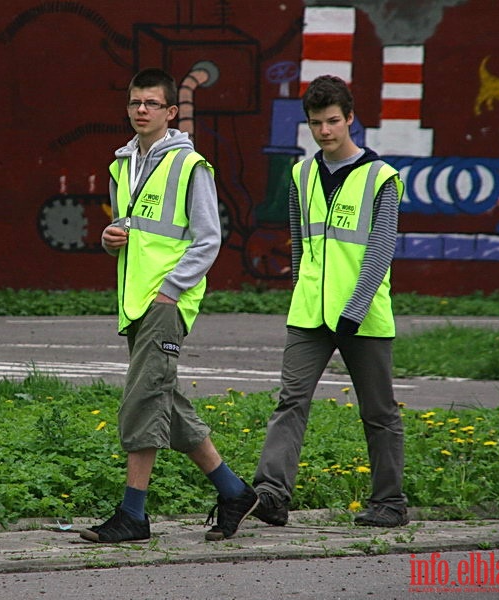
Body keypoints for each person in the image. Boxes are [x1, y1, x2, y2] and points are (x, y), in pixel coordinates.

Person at [80, 68, 258, 544]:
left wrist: (171, 290)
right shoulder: (123, 165)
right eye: (135, 102)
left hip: (165, 301)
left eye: (152, 104)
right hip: (135, 302)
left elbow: (207, 240)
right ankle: (234, 491)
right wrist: (109, 238)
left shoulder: (190, 166)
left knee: (141, 400)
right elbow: (129, 230)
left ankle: (133, 515)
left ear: (170, 112)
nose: (142, 110)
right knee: (164, 400)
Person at [252, 75, 408, 529]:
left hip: (364, 316)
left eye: (333, 121)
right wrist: (302, 290)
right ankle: (271, 494)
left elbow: (380, 252)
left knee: (379, 412)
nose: (325, 131)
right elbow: (300, 245)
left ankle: (390, 503)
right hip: (309, 315)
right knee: (290, 402)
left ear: (351, 119)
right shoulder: (300, 174)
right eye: (316, 123)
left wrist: (353, 312)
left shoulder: (381, 177)